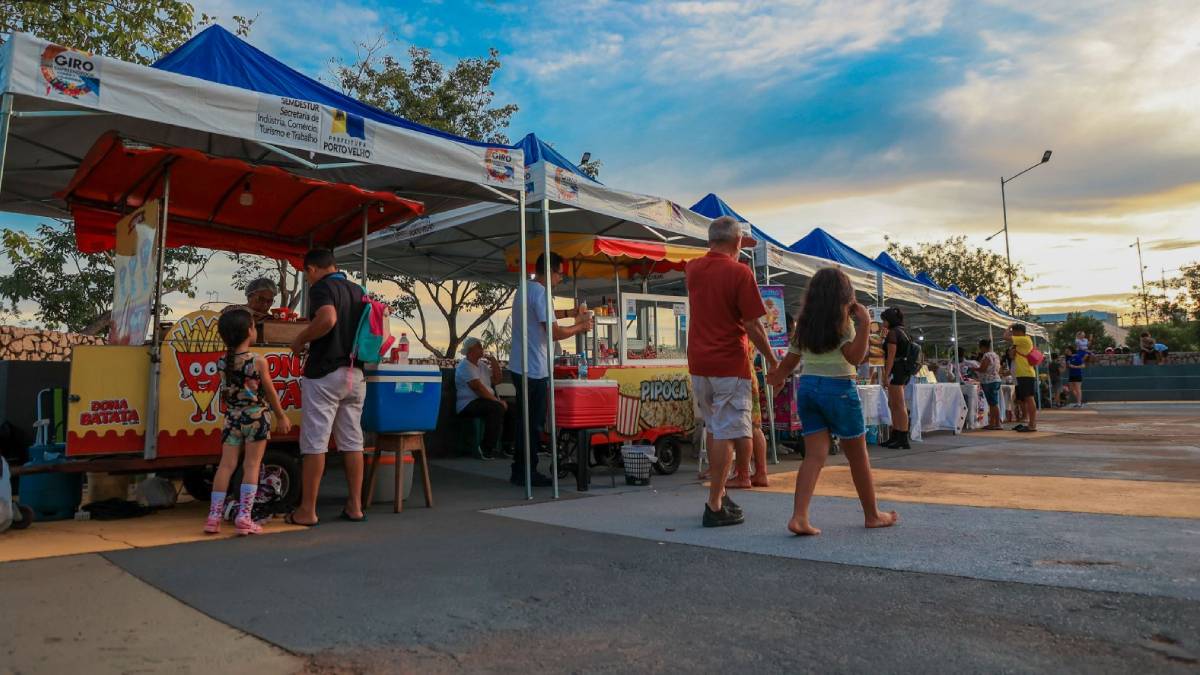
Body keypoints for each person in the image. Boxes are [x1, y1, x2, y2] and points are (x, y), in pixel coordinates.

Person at [767, 267, 898, 536]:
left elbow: (790, 362)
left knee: (814, 455)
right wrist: (863, 325)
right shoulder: (844, 323)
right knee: (858, 455)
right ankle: (872, 515)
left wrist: (778, 377)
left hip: (808, 388)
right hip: (838, 388)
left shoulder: (805, 324)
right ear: (845, 295)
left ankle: (799, 516)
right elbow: (855, 357)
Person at [686, 216, 777, 527]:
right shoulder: (740, 273)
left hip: (699, 362)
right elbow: (753, 325)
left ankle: (720, 492)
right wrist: (773, 359)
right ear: (737, 242)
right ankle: (714, 504)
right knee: (728, 429)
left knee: (714, 427)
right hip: (729, 363)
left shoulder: (693, 269)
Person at [288, 249, 368, 527]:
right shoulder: (358, 290)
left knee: (315, 442)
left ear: (311, 269)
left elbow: (327, 319)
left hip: (325, 373)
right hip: (355, 374)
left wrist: (301, 338)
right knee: (352, 441)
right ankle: (355, 506)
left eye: (306, 274)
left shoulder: (322, 287)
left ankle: (307, 511)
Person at [508, 252, 592, 488]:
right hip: (534, 367)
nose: (560, 280)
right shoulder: (542, 293)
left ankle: (519, 468)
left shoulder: (524, 288)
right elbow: (554, 332)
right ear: (551, 272)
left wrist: (570, 313)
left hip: (519, 364)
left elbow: (545, 317)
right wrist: (581, 326)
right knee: (532, 424)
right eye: (560, 275)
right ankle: (528, 471)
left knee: (524, 422)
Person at [204, 307, 291, 535]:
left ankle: (213, 517)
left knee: (226, 465)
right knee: (251, 465)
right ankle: (244, 516)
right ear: (249, 331)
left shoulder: (222, 362)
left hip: (232, 418)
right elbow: (270, 392)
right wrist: (281, 415)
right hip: (256, 417)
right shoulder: (257, 361)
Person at [455, 337, 515, 460]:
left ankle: (507, 445)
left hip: (485, 401)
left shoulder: (481, 365)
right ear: (471, 349)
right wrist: (497, 401)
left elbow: (497, 380)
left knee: (513, 408)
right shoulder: (464, 366)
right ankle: (486, 448)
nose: (482, 348)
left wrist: (493, 361)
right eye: (479, 346)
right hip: (468, 404)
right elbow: (478, 388)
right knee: (496, 408)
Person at [730, 345, 771, 489]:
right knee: (754, 426)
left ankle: (743, 475)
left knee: (745, 427)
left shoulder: (741, 325)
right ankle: (761, 472)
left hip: (739, 375)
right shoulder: (750, 326)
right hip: (749, 373)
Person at [879, 307, 913, 449]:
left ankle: (903, 437)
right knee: (893, 404)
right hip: (903, 371)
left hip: (897, 371)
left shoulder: (893, 333)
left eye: (884, 320)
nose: (883, 323)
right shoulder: (903, 331)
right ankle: (897, 434)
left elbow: (891, 357)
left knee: (898, 405)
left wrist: (886, 375)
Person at [1005, 323, 1038, 433]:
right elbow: (1012, 356)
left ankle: (1032, 424)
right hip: (1023, 373)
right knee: (1027, 399)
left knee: (1029, 398)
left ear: (1019, 332)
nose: (1012, 333)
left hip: (1026, 373)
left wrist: (1009, 326)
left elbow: (1005, 336)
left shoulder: (1023, 339)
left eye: (1014, 331)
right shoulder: (1022, 341)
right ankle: (1030, 423)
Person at [978, 339, 1002, 430]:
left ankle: (997, 423)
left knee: (993, 403)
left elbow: (983, 369)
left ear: (983, 347)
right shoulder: (995, 355)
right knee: (993, 403)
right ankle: (993, 423)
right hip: (996, 379)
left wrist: (974, 368)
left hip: (989, 381)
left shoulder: (987, 355)